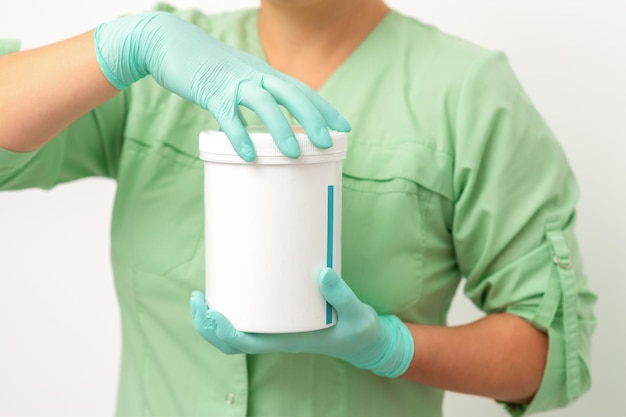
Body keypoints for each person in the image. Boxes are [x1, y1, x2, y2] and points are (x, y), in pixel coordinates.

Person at [0, 0, 597, 416]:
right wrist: (129, 43)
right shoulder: (162, 67)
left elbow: (544, 355)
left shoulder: (468, 92)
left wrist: (391, 348)